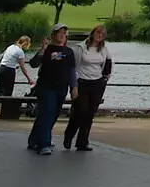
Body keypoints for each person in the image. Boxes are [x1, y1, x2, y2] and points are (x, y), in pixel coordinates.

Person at [26, 24, 77, 156]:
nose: (62, 35)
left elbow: (71, 70)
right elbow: (34, 63)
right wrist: (42, 50)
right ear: (53, 35)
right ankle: (44, 144)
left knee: (52, 115)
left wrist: (74, 87)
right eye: (59, 33)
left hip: (61, 87)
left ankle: (34, 139)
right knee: (47, 114)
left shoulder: (69, 52)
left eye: (64, 33)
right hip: (46, 86)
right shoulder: (47, 50)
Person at [63, 24, 112, 151]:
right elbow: (71, 64)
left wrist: (105, 79)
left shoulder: (104, 49)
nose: (100, 35)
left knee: (90, 113)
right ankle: (69, 134)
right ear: (93, 33)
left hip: (97, 83)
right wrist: (73, 83)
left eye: (102, 34)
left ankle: (82, 141)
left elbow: (108, 64)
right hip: (82, 82)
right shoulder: (81, 47)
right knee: (80, 110)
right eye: (98, 33)